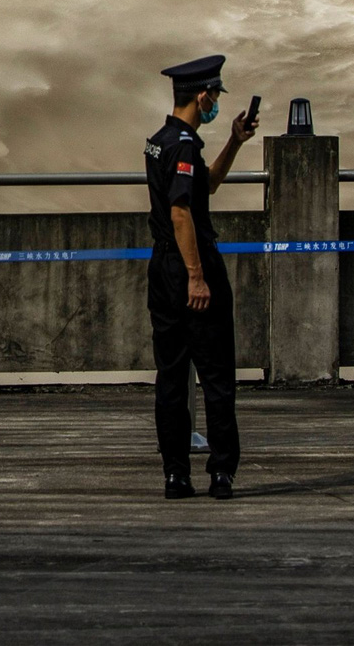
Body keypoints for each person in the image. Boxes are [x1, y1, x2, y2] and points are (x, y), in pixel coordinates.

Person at [143, 54, 256, 499]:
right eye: (215, 98)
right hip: (191, 266)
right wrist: (196, 276)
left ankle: (175, 474)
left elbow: (204, 185)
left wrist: (235, 142)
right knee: (216, 378)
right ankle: (221, 473)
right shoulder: (185, 145)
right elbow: (181, 211)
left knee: (171, 377)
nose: (216, 106)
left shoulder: (160, 140)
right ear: (204, 94)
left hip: (162, 269)